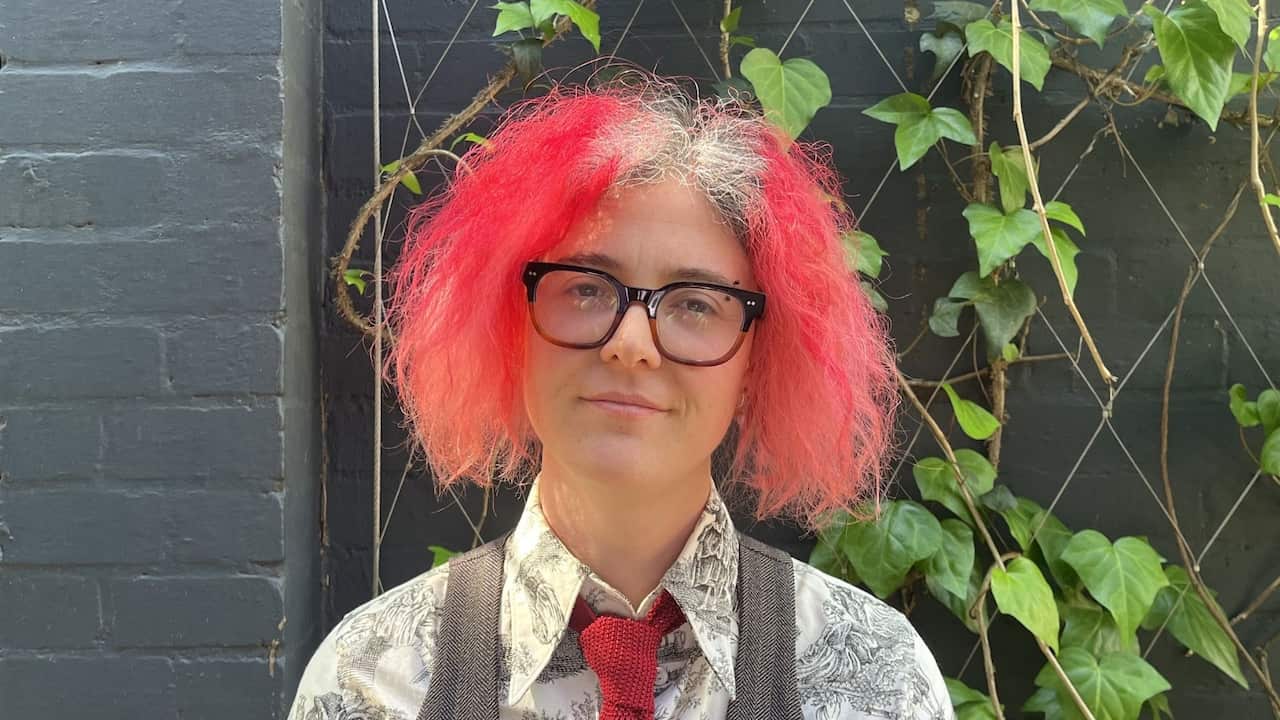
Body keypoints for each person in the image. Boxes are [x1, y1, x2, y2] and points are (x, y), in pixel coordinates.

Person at [289, 68, 953, 720]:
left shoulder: (880, 681)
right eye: (585, 288)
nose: (632, 343)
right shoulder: (374, 678)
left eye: (696, 304)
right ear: (510, 327)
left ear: (757, 362)